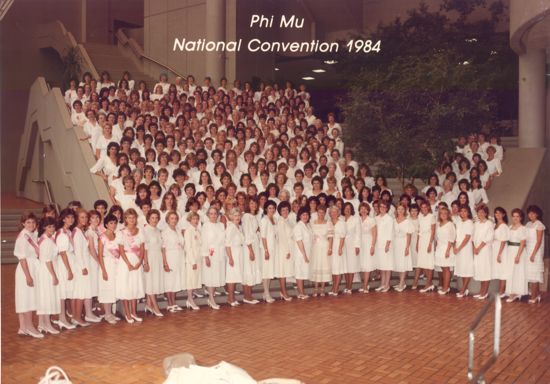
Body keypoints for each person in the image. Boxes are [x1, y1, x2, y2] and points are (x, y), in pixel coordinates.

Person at [14, 212, 43, 338]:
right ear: (23, 224)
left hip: (32, 267)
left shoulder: (31, 234)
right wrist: (28, 276)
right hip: (26, 270)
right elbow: (22, 259)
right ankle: (30, 327)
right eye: (28, 222)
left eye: (33, 222)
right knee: (27, 298)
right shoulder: (22, 238)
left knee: (25, 297)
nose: (31, 224)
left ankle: (23, 327)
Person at [116, 208, 146, 323]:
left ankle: (134, 312)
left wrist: (139, 262)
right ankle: (127, 313)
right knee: (126, 287)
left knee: (135, 286)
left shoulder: (140, 231)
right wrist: (128, 263)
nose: (132, 219)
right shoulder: (121, 232)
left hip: (137, 261)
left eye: (133, 217)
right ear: (125, 219)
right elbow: (121, 250)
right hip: (125, 262)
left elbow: (142, 248)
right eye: (129, 217)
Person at [72, 209, 99, 325]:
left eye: (86, 217)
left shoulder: (80, 231)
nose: (85, 220)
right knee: (80, 293)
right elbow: (78, 252)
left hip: (85, 263)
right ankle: (77, 318)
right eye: (82, 217)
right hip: (81, 266)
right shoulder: (77, 232)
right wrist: (82, 267)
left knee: (83, 292)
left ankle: (77, 317)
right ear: (77, 218)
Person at [36, 217, 60, 335]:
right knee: (47, 297)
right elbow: (47, 260)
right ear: (44, 227)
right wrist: (54, 276)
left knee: (45, 296)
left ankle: (42, 323)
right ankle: (47, 324)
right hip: (47, 271)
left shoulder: (46, 238)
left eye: (53, 226)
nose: (52, 228)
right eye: (49, 226)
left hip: (47, 269)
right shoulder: (45, 241)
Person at [55, 209, 77, 331]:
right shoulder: (62, 234)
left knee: (67, 292)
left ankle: (64, 318)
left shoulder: (68, 231)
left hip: (69, 261)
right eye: (68, 217)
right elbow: (63, 253)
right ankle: (62, 319)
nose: (71, 220)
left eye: (72, 217)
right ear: (63, 218)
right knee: (62, 293)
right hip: (64, 264)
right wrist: (69, 270)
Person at [97, 214, 120, 324]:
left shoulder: (117, 235)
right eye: (111, 223)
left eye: (115, 223)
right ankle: (107, 314)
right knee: (107, 288)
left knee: (113, 288)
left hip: (116, 265)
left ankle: (111, 313)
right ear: (106, 224)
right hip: (107, 264)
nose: (113, 225)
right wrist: (104, 270)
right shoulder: (102, 237)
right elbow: (100, 255)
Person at [201, 207, 226, 310]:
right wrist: (206, 256)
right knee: (211, 276)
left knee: (217, 276)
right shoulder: (206, 226)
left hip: (220, 253)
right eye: (211, 214)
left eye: (215, 213)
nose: (213, 215)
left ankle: (212, 297)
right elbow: (204, 242)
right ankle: (211, 299)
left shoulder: (221, 225)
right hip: (210, 254)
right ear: (208, 215)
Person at [143, 210, 164, 316]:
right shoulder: (145, 230)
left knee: (155, 282)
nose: (155, 220)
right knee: (150, 282)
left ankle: (149, 304)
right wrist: (145, 263)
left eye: (156, 218)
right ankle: (155, 307)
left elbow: (161, 246)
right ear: (148, 219)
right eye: (152, 218)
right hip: (150, 258)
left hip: (158, 258)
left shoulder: (158, 230)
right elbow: (144, 249)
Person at [162, 211, 184, 312]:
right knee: (169, 281)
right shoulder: (165, 232)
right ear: (167, 220)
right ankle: (169, 304)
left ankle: (174, 303)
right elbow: (163, 249)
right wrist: (165, 263)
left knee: (175, 280)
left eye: (175, 218)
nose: (174, 220)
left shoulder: (178, 230)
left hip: (178, 257)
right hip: (170, 257)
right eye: (172, 218)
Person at [241, 198, 262, 304]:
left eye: (255, 203)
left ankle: (249, 295)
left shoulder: (253, 216)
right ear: (248, 205)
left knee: (252, 268)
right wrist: (250, 250)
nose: (253, 205)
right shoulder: (246, 216)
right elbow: (247, 234)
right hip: (249, 246)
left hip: (254, 245)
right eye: (251, 203)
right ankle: (246, 296)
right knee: (248, 269)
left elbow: (254, 232)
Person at [310, 205, 333, 296]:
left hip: (325, 246)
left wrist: (330, 248)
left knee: (323, 265)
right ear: (317, 213)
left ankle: (322, 288)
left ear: (325, 213)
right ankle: (316, 288)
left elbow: (331, 237)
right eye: (319, 212)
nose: (321, 214)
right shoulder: (312, 222)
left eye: (323, 212)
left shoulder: (328, 223)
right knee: (316, 265)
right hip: (315, 247)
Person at [506, 209, 528, 303]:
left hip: (518, 251)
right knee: (510, 271)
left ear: (521, 218)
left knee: (517, 272)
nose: (515, 218)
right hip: (510, 251)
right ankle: (512, 291)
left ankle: (515, 293)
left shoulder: (522, 228)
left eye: (517, 216)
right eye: (514, 216)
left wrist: (518, 255)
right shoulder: (510, 227)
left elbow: (523, 243)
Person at [224, 208, 245, 306]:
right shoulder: (230, 227)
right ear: (231, 216)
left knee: (235, 276)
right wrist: (230, 258)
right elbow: (227, 244)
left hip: (239, 253)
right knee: (231, 277)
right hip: (233, 253)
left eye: (239, 215)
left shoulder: (239, 227)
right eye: (235, 215)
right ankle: (230, 298)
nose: (237, 217)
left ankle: (232, 297)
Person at [472, 205, 494, 300]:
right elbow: (472, 237)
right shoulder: (476, 224)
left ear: (486, 213)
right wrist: (474, 248)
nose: (480, 214)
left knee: (485, 270)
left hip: (484, 250)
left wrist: (479, 248)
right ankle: (481, 291)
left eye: (482, 212)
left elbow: (488, 238)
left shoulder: (489, 223)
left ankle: (484, 292)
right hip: (477, 250)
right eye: (479, 212)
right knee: (480, 270)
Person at [274, 201, 294, 300]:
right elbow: (282, 238)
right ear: (280, 211)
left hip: (288, 248)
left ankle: (283, 291)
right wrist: (287, 251)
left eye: (286, 209)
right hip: (283, 249)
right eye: (283, 210)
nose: (285, 211)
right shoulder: (281, 221)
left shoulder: (287, 220)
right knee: (282, 271)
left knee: (284, 271)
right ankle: (283, 292)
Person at [525, 205, 545, 304]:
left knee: (534, 274)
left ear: (537, 214)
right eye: (529, 213)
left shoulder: (539, 224)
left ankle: (534, 296)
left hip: (535, 251)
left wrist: (533, 254)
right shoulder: (528, 224)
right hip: (528, 249)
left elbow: (539, 241)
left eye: (533, 213)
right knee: (530, 273)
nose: (531, 215)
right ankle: (537, 294)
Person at [434, 206, 456, 295]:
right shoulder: (438, 224)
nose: (443, 215)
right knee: (443, 268)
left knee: (446, 268)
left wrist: (447, 250)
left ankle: (446, 288)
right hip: (439, 248)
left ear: (448, 214)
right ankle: (445, 286)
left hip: (447, 248)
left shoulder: (450, 224)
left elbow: (452, 238)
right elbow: (437, 238)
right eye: (441, 213)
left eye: (445, 213)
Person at [183, 212, 202, 310]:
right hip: (192, 260)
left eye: (196, 219)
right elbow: (188, 248)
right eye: (193, 219)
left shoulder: (197, 230)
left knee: (195, 279)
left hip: (198, 258)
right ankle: (190, 299)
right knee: (190, 280)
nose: (195, 221)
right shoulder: (188, 231)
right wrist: (193, 261)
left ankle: (190, 299)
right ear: (189, 220)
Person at [392, 204, 413, 292]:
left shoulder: (407, 221)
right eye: (398, 209)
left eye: (402, 209)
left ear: (405, 210)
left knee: (403, 263)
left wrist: (407, 247)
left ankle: (401, 283)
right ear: (396, 210)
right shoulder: (394, 221)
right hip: (396, 243)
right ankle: (402, 282)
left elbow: (409, 235)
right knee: (399, 263)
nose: (400, 211)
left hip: (404, 243)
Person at [293, 207, 313, 299]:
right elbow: (299, 241)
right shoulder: (298, 226)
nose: (305, 216)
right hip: (300, 253)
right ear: (299, 216)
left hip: (307, 251)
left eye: (307, 214)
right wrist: (304, 255)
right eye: (303, 214)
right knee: (299, 272)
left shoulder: (308, 225)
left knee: (303, 271)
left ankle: (302, 292)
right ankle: (301, 293)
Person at [454, 206, 474, 298]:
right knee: (462, 269)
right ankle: (465, 289)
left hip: (465, 248)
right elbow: (456, 236)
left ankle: (463, 289)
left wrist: (459, 248)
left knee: (466, 268)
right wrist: (455, 246)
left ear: (468, 212)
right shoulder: (458, 222)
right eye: (461, 211)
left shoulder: (469, 222)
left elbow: (467, 238)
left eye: (465, 211)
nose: (462, 213)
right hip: (458, 247)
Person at [259, 200, 277, 303]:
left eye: (273, 208)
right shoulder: (264, 220)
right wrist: (266, 250)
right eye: (270, 208)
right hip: (267, 249)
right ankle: (266, 293)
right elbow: (263, 237)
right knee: (266, 272)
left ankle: (265, 293)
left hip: (273, 248)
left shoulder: (274, 219)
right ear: (266, 209)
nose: (272, 210)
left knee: (269, 272)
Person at [416, 201, 436, 292]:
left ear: (428, 207)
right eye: (422, 207)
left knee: (429, 263)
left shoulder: (432, 217)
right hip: (421, 240)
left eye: (425, 207)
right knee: (423, 263)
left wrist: (430, 244)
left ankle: (428, 284)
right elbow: (419, 231)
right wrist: (417, 243)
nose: (424, 209)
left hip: (428, 240)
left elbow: (433, 231)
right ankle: (430, 283)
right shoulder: (420, 217)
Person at [375, 201, 394, 292]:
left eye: (384, 207)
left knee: (387, 266)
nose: (382, 208)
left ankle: (387, 285)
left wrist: (387, 245)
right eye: (380, 206)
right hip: (378, 245)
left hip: (386, 245)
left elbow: (390, 233)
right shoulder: (376, 218)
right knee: (381, 266)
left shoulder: (389, 219)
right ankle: (382, 284)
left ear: (387, 208)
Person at [342, 202, 361, 294]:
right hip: (342, 245)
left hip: (352, 244)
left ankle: (349, 287)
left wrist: (357, 246)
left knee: (351, 265)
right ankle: (346, 285)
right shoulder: (340, 219)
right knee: (345, 265)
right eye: (346, 208)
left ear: (352, 210)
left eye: (349, 208)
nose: (347, 210)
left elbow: (358, 234)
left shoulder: (355, 219)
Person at [358, 203, 376, 293]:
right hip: (360, 244)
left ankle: (365, 286)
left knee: (367, 264)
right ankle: (364, 284)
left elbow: (374, 234)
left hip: (368, 243)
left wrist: (372, 246)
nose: (363, 210)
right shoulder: (357, 219)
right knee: (361, 265)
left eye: (365, 209)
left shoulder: (371, 220)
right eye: (361, 209)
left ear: (368, 210)